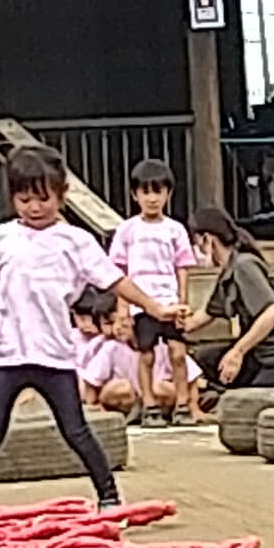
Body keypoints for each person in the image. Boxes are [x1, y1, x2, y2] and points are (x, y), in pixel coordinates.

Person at [0, 144, 182, 533]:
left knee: (75, 430)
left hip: (54, 354)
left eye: (43, 198)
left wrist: (156, 309)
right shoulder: (3, 237)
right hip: (6, 354)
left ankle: (108, 497)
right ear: (12, 198)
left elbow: (115, 280)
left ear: (61, 194)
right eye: (24, 199)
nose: (34, 208)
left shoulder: (76, 241)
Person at [181, 206, 274, 397]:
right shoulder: (227, 275)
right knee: (202, 361)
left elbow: (273, 313)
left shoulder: (244, 265)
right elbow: (203, 316)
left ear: (207, 239)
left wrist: (237, 352)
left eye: (196, 243)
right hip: (259, 354)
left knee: (250, 400)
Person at [106, 159, 197, 427]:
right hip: (140, 303)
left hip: (169, 300)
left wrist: (183, 301)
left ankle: (182, 405)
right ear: (135, 195)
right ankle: (149, 404)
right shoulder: (127, 229)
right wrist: (123, 310)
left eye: (158, 192)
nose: (152, 199)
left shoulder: (175, 229)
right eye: (146, 192)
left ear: (168, 193)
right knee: (146, 355)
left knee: (178, 353)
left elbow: (182, 267)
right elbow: (118, 273)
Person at [72, 289, 204, 421]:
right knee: (118, 388)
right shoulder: (111, 347)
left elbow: (191, 377)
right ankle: (132, 413)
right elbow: (91, 380)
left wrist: (194, 407)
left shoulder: (161, 345)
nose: (118, 328)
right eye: (112, 323)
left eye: (122, 321)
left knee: (161, 389)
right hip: (127, 400)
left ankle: (158, 412)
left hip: (157, 397)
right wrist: (93, 405)